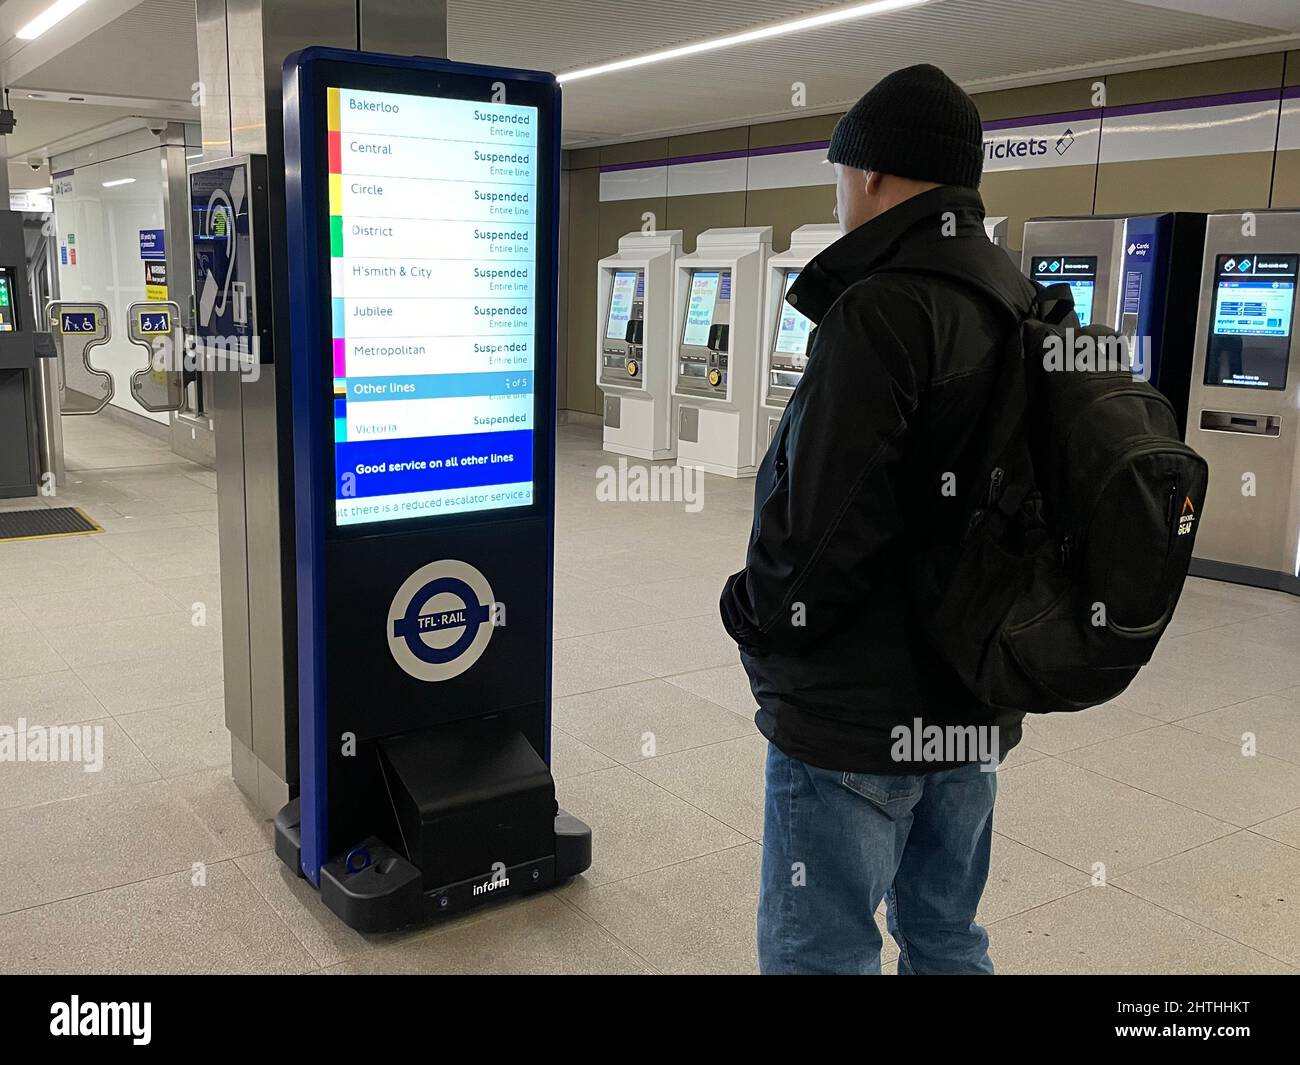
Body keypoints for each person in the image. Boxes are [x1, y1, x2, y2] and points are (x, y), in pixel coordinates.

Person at [719, 64, 1039, 975]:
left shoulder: (881, 310)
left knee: (823, 948)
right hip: (974, 700)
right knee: (945, 934)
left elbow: (820, 527)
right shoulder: (1017, 303)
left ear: (871, 175)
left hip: (858, 714)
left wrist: (752, 614)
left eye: (839, 173)